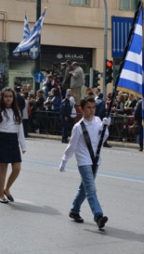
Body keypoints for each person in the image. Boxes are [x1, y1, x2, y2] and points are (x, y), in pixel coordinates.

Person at [59, 96, 111, 229]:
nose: (92, 110)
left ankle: (74, 210)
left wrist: (106, 127)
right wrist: (64, 160)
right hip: (83, 161)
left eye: (93, 107)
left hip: (95, 159)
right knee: (91, 189)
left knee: (85, 187)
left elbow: (103, 138)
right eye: (88, 107)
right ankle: (98, 216)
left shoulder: (98, 120)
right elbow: (72, 145)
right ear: (82, 109)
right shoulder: (78, 126)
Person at [0, 87, 26, 204]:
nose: (8, 98)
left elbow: (20, 129)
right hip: (1, 139)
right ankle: (1, 194)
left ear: (13, 98)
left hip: (13, 140)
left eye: (10, 96)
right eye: (6, 96)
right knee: (3, 169)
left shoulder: (17, 111)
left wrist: (23, 145)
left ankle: (7, 188)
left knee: (17, 168)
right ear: (2, 97)